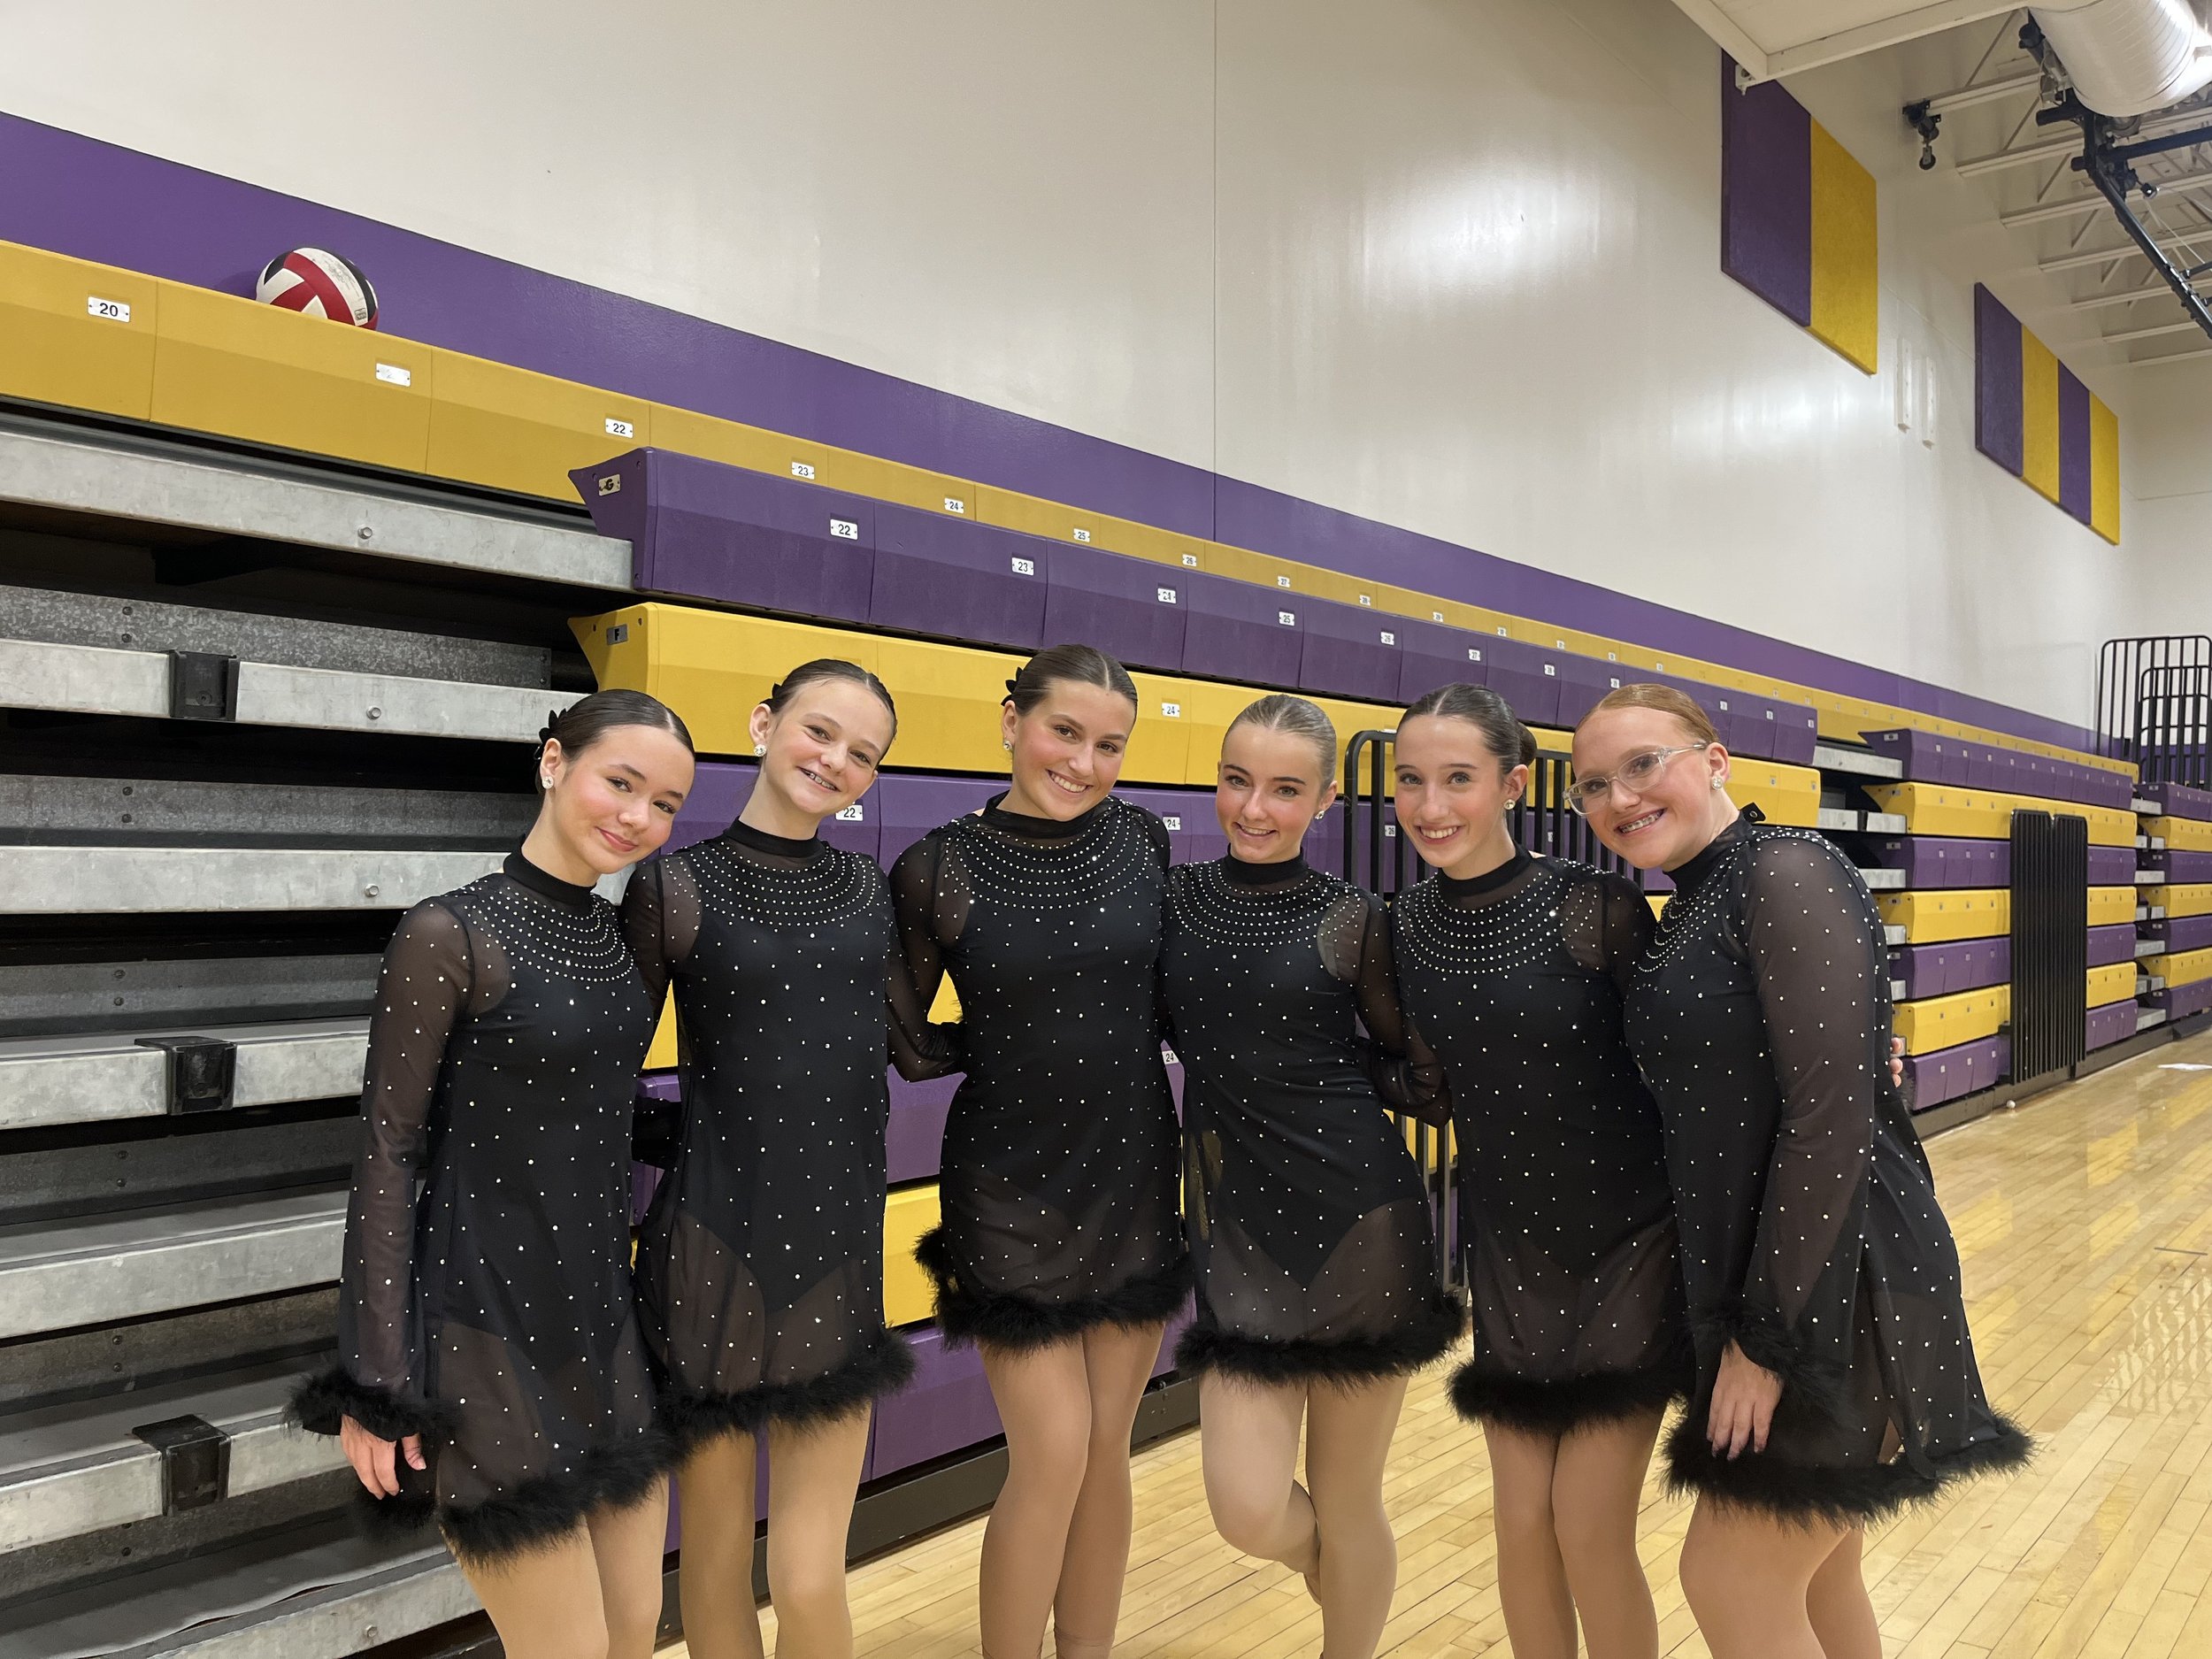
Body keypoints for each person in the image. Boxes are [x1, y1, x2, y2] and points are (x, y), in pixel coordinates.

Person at [1571, 682, 2029, 1659]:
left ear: (1713, 758)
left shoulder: (1784, 868)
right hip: (1761, 1275)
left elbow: (1829, 1121)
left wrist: (1763, 1341)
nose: (1620, 797)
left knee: (1728, 1575)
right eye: (1593, 785)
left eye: (1644, 764)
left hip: (1836, 1281)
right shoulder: (1693, 903)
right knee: (1821, 1576)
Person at [294, 689, 696, 1659]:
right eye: (621, 782)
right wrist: (375, 1383)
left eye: (667, 803)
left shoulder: (615, 943)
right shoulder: (448, 933)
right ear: (554, 763)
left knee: (634, 1631)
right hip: (482, 1334)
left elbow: (589, 1113)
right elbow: (388, 1152)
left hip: (601, 1328)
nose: (638, 817)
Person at [623, 660, 941, 1659]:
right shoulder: (674, 885)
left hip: (836, 1248)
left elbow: (910, 1043)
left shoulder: (866, 888)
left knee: (808, 1578)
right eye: (818, 731)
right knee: (714, 1563)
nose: (835, 760)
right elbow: (595, 1064)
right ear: (763, 724)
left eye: (863, 753)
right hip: (712, 1247)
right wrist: (688, 1138)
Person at [888, 643, 1184, 1659]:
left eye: (1110, 745)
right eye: (1065, 731)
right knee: (1051, 1452)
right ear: (1010, 717)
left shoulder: (1143, 839)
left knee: (1105, 1448)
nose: (1084, 762)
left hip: (1133, 1166)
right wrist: (1006, 1041)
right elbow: (908, 1038)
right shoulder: (938, 866)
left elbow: (1169, 1000)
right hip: (1008, 1182)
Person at [1389, 683, 1688, 1659]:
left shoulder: (1592, 905)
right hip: (1510, 1252)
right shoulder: (1406, 927)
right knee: (1519, 1527)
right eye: (1410, 781)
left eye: (1458, 780)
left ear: (1514, 784)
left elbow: (1678, 1067)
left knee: (1588, 1528)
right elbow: (1434, 1085)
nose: (1431, 806)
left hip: (1630, 1247)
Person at [1162, 693, 1462, 1659]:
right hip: (1235, 1228)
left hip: (1358, 1222)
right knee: (1246, 1509)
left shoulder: (1353, 920)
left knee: (1349, 1497)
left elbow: (1421, 1076)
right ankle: (1335, 1579)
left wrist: (1336, 1070)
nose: (1254, 808)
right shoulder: (1171, 905)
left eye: (1284, 790)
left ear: (1325, 800)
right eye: (1236, 781)